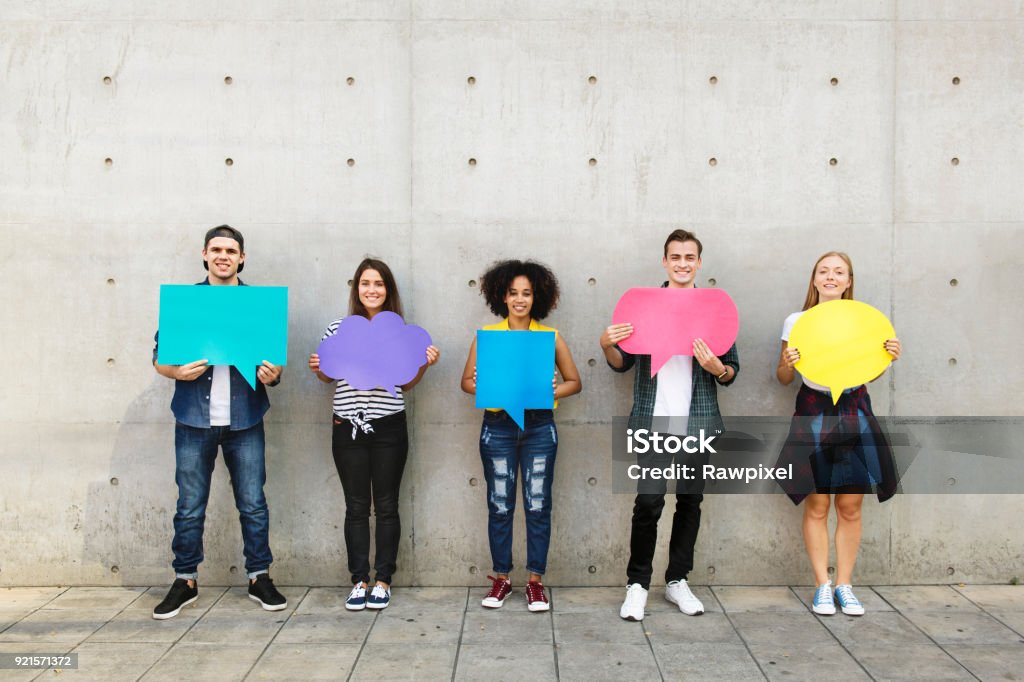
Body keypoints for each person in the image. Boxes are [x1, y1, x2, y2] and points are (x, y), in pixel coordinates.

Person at [601, 229, 739, 622]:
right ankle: (637, 585)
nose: (682, 263)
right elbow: (622, 364)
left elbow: (732, 371)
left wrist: (718, 368)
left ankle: (677, 579)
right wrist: (606, 343)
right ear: (664, 261)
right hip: (653, 420)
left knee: (690, 501)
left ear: (699, 262)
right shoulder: (642, 305)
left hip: (697, 422)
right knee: (648, 502)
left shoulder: (714, 308)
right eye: (675, 256)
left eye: (689, 257)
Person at [152, 225, 287, 619]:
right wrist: (177, 374)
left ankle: (259, 576)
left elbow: (275, 366)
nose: (223, 256)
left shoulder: (259, 304)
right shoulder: (186, 303)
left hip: (245, 419)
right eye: (216, 249)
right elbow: (160, 359)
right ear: (205, 254)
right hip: (194, 419)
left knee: (253, 504)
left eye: (231, 250)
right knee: (190, 505)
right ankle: (185, 580)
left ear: (242, 257)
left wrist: (272, 375)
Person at [308, 258, 439, 611]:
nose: (372, 290)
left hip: (388, 425)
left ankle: (383, 580)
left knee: (386, 506)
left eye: (379, 284)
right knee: (355, 506)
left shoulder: (403, 334)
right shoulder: (338, 329)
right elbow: (327, 377)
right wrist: (319, 366)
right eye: (365, 283)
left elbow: (406, 385)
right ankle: (358, 580)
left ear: (388, 290)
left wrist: (424, 364)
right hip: (346, 425)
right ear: (356, 289)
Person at [775, 251, 901, 617]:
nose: (831, 277)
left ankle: (845, 584)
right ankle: (821, 587)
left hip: (854, 410)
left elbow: (865, 373)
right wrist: (786, 363)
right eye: (823, 271)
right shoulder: (796, 321)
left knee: (850, 504)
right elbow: (784, 377)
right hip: (813, 410)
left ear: (848, 281)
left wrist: (886, 360)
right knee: (817, 504)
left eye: (839, 272)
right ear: (814, 280)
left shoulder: (866, 321)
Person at [460, 260, 582, 612]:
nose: (519, 299)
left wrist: (555, 390)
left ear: (536, 298)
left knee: (538, 504)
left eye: (526, 294)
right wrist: (484, 384)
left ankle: (535, 583)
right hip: (497, 427)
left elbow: (575, 382)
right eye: (513, 293)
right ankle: (501, 578)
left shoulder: (550, 338)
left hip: (540, 427)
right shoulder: (488, 335)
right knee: (499, 504)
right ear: (502, 295)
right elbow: (466, 383)